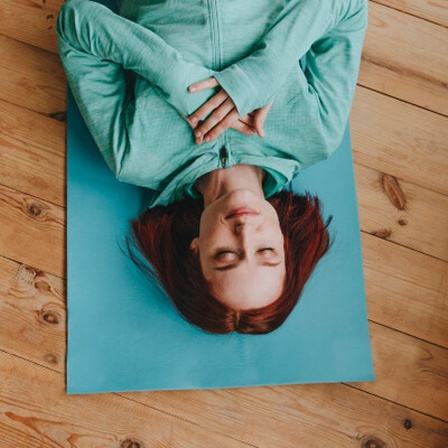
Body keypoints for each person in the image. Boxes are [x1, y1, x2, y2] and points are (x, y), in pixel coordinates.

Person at [56, 0, 368, 334]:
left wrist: (172, 77)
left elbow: (75, 23)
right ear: (284, 241)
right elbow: (348, 5)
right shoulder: (315, 136)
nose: (245, 233)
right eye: (266, 250)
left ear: (196, 249)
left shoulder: (136, 156)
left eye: (226, 255)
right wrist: (265, 71)